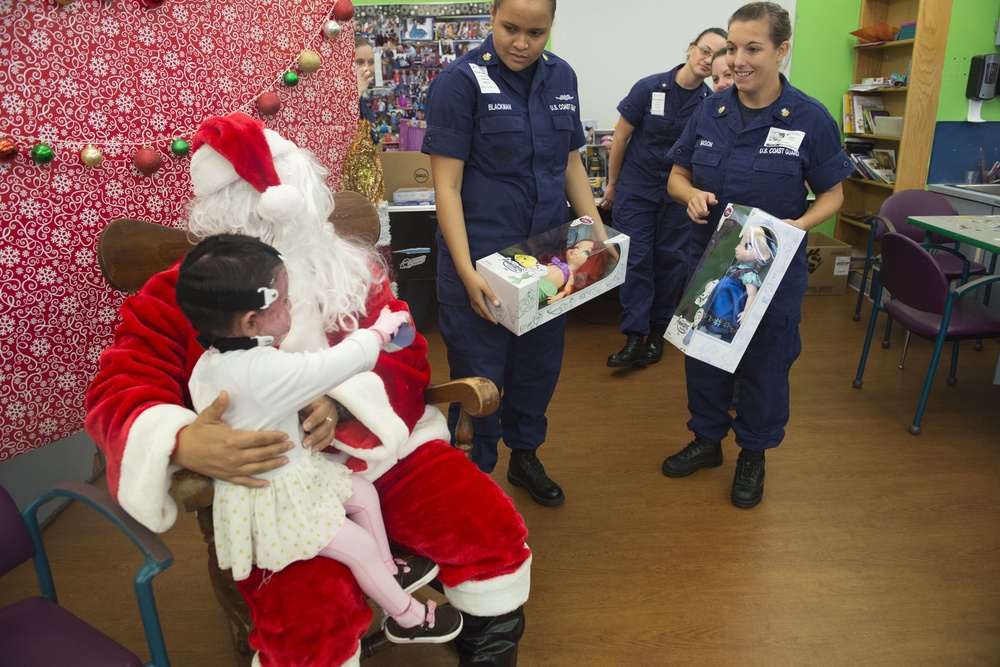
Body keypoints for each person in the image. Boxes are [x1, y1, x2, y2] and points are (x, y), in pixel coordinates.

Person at [85, 112, 532, 667]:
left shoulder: (349, 266)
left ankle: (487, 649)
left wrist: (341, 401)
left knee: (481, 522)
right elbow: (119, 387)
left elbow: (404, 346)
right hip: (272, 488)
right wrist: (179, 441)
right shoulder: (182, 292)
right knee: (310, 612)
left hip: (384, 455)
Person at [174, 234, 462, 645]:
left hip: (293, 475)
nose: (293, 308)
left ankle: (388, 566)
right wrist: (381, 330)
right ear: (252, 322)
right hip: (278, 500)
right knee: (357, 546)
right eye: (286, 303)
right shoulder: (264, 370)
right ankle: (408, 617)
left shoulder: (210, 361)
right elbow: (340, 363)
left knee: (361, 493)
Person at [662, 2, 853, 508]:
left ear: (782, 50)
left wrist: (799, 225)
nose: (738, 59)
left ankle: (753, 453)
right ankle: (707, 442)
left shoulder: (810, 118)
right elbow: (676, 175)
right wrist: (690, 195)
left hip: (771, 270)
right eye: (732, 47)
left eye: (753, 48)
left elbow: (833, 195)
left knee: (764, 367)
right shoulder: (711, 109)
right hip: (710, 262)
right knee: (703, 359)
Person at [421, 0, 604, 507]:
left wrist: (596, 233)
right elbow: (447, 187)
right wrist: (462, 270)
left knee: (538, 367)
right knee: (481, 375)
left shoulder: (561, 77)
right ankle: (475, 476)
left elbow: (571, 165)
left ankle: (525, 455)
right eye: (509, 29)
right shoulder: (459, 82)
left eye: (536, 32)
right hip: (481, 258)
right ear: (492, 18)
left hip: (548, 257)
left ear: (551, 29)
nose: (521, 42)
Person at [598, 27, 728, 369]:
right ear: (690, 49)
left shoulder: (710, 103)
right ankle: (633, 336)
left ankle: (657, 333)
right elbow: (621, 138)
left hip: (677, 196)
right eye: (704, 50)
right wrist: (612, 185)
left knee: (671, 262)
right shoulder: (649, 87)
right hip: (636, 190)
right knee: (636, 260)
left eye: (715, 55)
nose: (706, 59)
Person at [697, 225, 776, 342]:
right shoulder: (736, 267)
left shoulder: (749, 274)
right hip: (718, 302)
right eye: (741, 242)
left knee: (716, 332)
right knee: (705, 327)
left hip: (727, 307)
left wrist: (746, 312)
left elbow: (752, 294)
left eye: (748, 246)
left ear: (761, 254)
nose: (739, 247)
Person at [538, 238, 608, 305]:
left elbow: (568, 289)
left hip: (543, 289)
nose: (575, 250)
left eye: (586, 253)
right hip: (535, 278)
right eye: (575, 247)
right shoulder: (558, 262)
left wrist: (558, 297)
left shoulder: (571, 275)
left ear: (591, 263)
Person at [355, 35, 379, 145]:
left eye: (370, 62)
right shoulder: (333, 97)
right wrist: (356, 94)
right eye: (359, 62)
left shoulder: (365, 104)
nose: (367, 68)